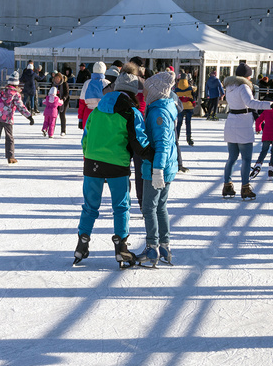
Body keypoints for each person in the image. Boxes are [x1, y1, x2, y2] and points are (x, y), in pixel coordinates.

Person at [72, 66, 149, 269]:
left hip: (92, 162)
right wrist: (154, 155)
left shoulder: (96, 110)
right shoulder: (131, 112)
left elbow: (85, 138)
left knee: (90, 205)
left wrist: (89, 157)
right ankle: (121, 246)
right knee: (121, 206)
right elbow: (140, 142)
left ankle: (82, 242)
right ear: (133, 93)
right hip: (117, 163)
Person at [137, 70, 179, 267]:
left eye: (146, 90)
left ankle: (152, 247)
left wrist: (157, 170)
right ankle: (164, 246)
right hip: (167, 165)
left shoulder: (158, 112)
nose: (144, 93)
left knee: (149, 207)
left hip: (158, 165)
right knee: (161, 207)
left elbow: (162, 143)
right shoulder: (164, 107)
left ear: (155, 90)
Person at [222, 61, 271, 200]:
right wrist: (271, 105)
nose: (250, 78)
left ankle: (227, 185)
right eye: (250, 76)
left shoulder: (230, 86)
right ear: (246, 76)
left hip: (231, 122)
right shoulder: (243, 86)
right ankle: (245, 187)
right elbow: (251, 103)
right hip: (243, 124)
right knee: (246, 159)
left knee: (231, 158)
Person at [0, 72, 34, 164]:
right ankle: (11, 157)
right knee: (9, 138)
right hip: (7, 119)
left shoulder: (2, 92)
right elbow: (21, 107)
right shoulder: (15, 94)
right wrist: (29, 116)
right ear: (16, 84)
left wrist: (0, 110)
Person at [77, 62, 107, 130]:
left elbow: (82, 102)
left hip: (88, 114)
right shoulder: (107, 84)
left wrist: (80, 119)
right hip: (103, 114)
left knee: (88, 137)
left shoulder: (87, 83)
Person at [173, 73, 196, 145]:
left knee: (179, 123)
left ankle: (176, 138)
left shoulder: (177, 89)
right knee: (188, 123)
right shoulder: (190, 88)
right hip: (189, 107)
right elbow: (194, 96)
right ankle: (189, 138)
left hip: (180, 107)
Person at [52, 71, 70, 136]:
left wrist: (63, 98)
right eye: (55, 79)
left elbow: (67, 93)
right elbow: (50, 92)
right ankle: (51, 130)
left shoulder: (64, 84)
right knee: (53, 115)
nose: (57, 80)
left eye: (58, 79)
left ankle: (63, 130)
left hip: (63, 101)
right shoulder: (53, 84)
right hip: (55, 102)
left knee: (62, 114)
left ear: (61, 79)